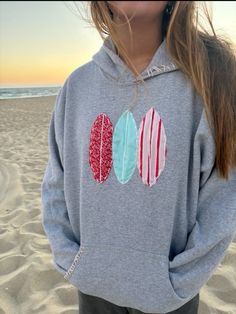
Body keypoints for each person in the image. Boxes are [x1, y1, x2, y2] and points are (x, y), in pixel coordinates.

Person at [40, 1, 236, 313]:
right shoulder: (77, 86)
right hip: (93, 289)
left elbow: (222, 199)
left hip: (171, 298)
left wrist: (177, 281)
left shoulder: (210, 81)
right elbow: (55, 183)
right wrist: (73, 259)